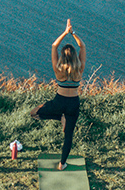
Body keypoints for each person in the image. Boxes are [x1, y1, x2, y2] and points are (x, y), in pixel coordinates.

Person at [30, 19, 86, 170]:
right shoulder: (79, 69)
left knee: (34, 113)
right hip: (73, 103)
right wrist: (72, 33)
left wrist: (64, 32)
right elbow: (82, 46)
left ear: (62, 56)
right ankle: (62, 164)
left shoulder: (58, 69)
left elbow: (54, 45)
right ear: (75, 56)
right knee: (68, 136)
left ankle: (59, 117)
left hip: (59, 102)